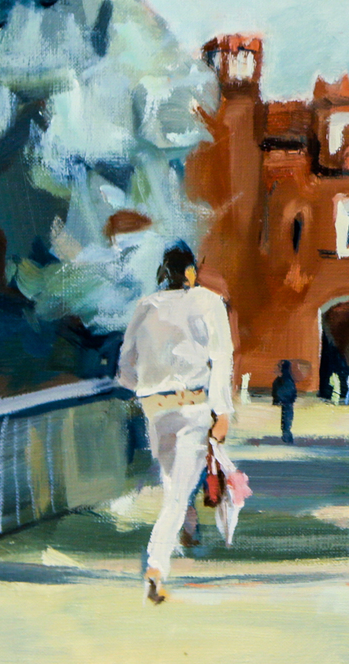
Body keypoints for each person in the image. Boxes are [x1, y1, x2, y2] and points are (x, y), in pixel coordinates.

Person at [117, 241, 235, 605]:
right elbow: (222, 358)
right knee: (177, 494)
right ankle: (155, 566)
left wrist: (147, 387)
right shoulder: (208, 302)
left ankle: (187, 529)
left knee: (175, 484)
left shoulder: (145, 306)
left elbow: (125, 367)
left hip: (155, 409)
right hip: (192, 407)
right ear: (190, 271)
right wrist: (223, 412)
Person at [271, 360, 297, 444]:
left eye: (279, 366)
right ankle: (286, 435)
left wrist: (280, 399)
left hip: (287, 402)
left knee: (286, 418)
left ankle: (287, 435)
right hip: (287, 402)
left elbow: (289, 392)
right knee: (286, 418)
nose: (277, 368)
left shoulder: (285, 379)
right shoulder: (283, 379)